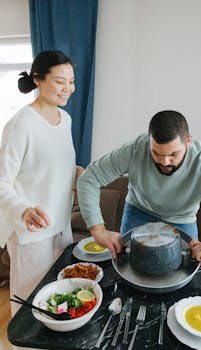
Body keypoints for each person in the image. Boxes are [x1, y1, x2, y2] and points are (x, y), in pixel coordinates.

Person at [77, 110, 201, 264]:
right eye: (156, 153)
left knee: (181, 277)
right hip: (138, 211)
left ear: (188, 142)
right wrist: (98, 230)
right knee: (130, 269)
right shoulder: (135, 149)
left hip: (182, 220)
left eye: (173, 154)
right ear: (149, 141)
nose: (165, 162)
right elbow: (89, 178)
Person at [0, 50, 83, 317]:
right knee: (29, 308)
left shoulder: (65, 120)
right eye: (60, 81)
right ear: (38, 79)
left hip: (61, 226)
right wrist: (23, 209)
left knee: (58, 303)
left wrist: (75, 172)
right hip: (31, 233)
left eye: (71, 81)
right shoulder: (21, 124)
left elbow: (50, 165)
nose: (68, 89)